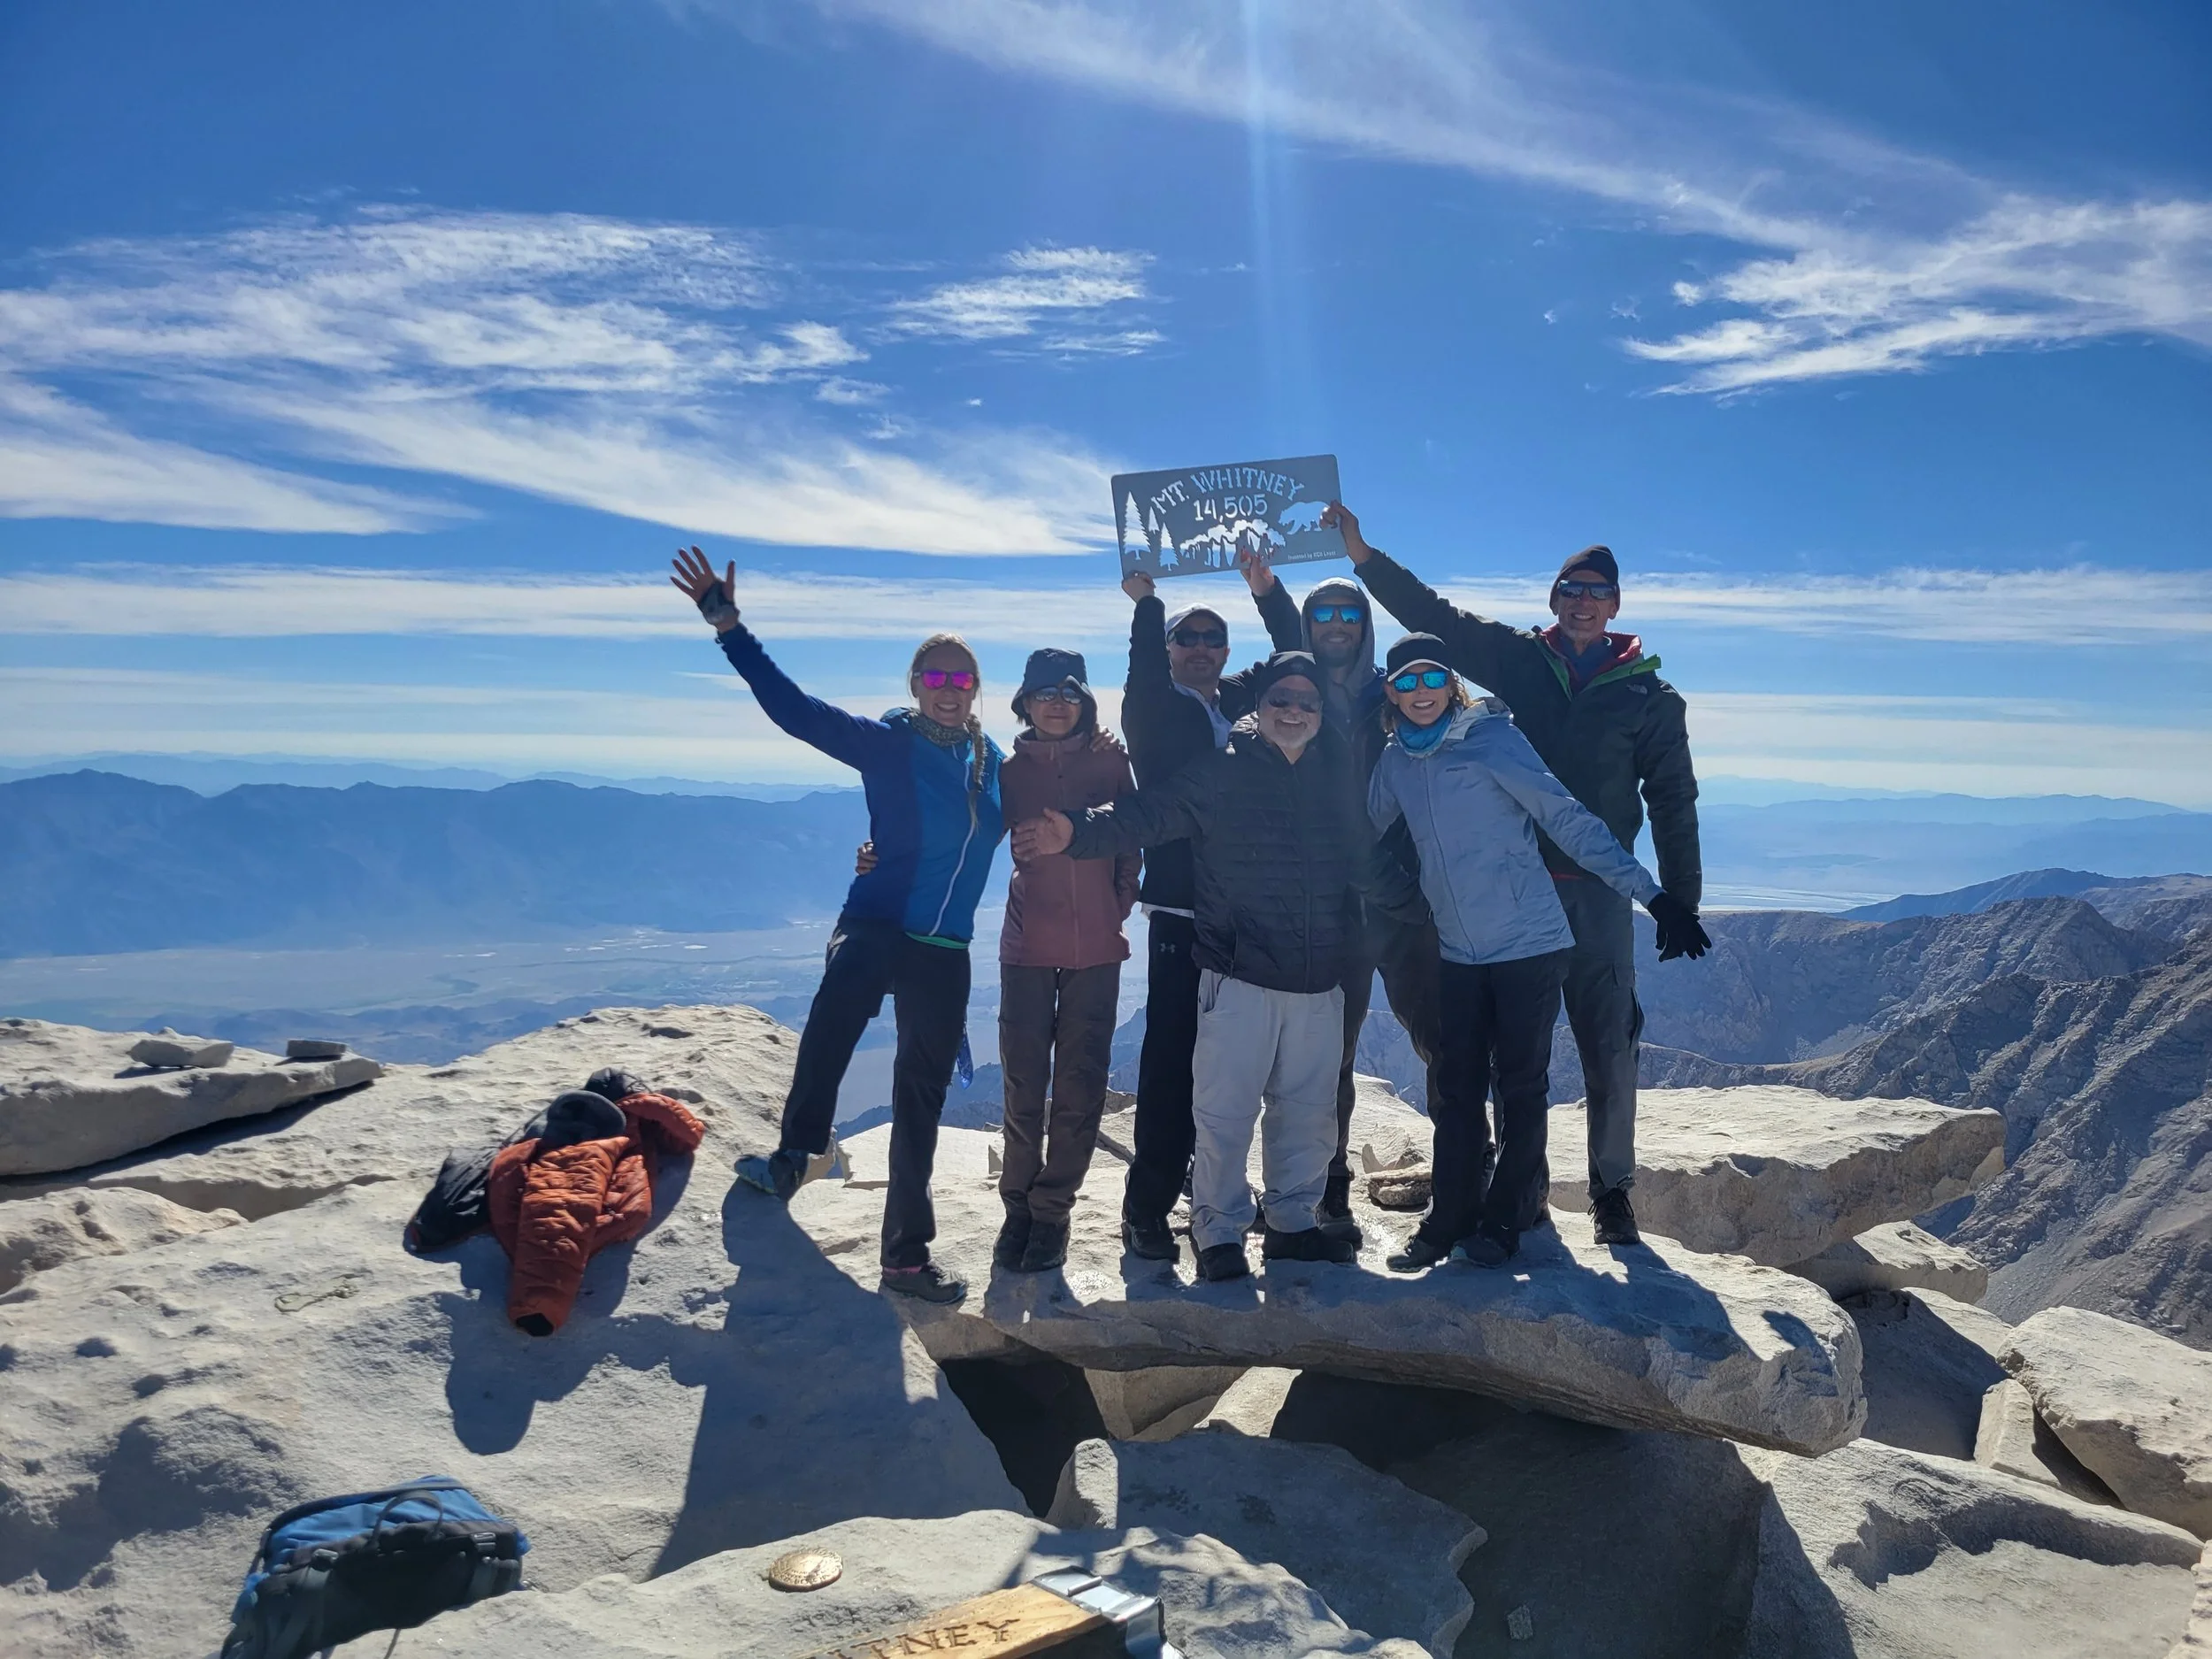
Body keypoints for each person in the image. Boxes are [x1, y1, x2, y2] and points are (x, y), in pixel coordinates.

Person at [1325, 505, 1709, 1247]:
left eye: (1598, 592)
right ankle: (1515, 1196)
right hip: (1505, 892)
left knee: (1607, 1041)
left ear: (1617, 605)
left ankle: (1612, 1191)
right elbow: (1435, 621)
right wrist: (1365, 557)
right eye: (1572, 589)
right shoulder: (1517, 660)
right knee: (1508, 1059)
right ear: (1554, 598)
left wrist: (1676, 900)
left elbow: (1672, 800)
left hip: (1594, 891)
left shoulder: (1648, 698)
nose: (1584, 602)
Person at [1016, 651, 1429, 1284]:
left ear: (1320, 713)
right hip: (1239, 975)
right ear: (1258, 708)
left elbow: (1368, 865)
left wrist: (1432, 916)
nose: (1293, 710)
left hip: (1318, 979)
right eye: (1280, 699)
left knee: (1309, 1113)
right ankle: (1218, 1231)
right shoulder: (1218, 772)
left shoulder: (1332, 781)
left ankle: (1291, 1224)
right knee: (1224, 1113)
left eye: (1306, 702)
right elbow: (1144, 816)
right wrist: (1076, 832)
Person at [670, 545, 1002, 1304]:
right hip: (878, 919)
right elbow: (796, 710)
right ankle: (797, 1151)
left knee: (920, 1098)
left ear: (976, 688)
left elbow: (1054, 807)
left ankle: (906, 1259)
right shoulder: (887, 743)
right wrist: (729, 628)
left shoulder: (994, 766)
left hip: (945, 946)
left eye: (961, 678)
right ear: (915, 686)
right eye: (935, 677)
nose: (949, 690)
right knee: (836, 1010)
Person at [1367, 636, 1701, 1269]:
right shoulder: (1395, 763)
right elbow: (1365, 829)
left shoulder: (1492, 741)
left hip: (1528, 944)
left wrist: (1653, 897)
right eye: (1405, 682)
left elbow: (1568, 820)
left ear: (1451, 683)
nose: (1420, 692)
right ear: (1390, 692)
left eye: (1431, 677)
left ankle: (1504, 1221)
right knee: (1457, 1089)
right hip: (1460, 950)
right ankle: (1449, 1219)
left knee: (1520, 1088)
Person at [1242, 549, 1443, 1242]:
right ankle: (1330, 1189)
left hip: (1401, 893)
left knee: (1441, 1039)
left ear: (1365, 626)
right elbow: (1285, 644)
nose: (1335, 624)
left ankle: (1469, 1179)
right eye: (1321, 613)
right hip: (1333, 899)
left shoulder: (1387, 693)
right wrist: (1268, 591)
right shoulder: (1300, 697)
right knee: (1332, 1054)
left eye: (1348, 614)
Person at [1114, 566, 1304, 1263]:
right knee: (1171, 1063)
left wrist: (1265, 590)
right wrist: (1146, 604)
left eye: (1211, 638)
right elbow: (1138, 674)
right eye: (1184, 638)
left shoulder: (1236, 697)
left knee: (1231, 1066)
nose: (1199, 647)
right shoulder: (1154, 709)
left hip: (1246, 909)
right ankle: (1145, 1211)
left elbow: (1297, 663)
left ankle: (1213, 1193)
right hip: (1182, 910)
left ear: (1226, 650)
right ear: (1168, 648)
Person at [992, 648, 1141, 1274]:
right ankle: (1018, 1205)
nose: (1057, 702)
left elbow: (1133, 830)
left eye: (1069, 692)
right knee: (1024, 1084)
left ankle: (1053, 1212)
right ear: (1024, 702)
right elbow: (963, 834)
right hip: (1026, 947)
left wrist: (1119, 902)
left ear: (1085, 702)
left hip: (1097, 951)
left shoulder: (1111, 760)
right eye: (1045, 691)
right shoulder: (1005, 772)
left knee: (1079, 1084)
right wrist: (879, 855)